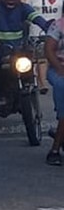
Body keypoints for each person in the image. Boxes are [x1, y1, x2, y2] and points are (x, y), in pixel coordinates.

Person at [25, 0, 64, 92]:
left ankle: (43, 82)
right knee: (41, 57)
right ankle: (42, 83)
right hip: (37, 31)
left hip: (57, 30)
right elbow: (28, 11)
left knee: (49, 56)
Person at [42, 18, 64, 166]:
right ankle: (54, 150)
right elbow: (49, 50)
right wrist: (61, 70)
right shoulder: (59, 25)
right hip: (59, 68)